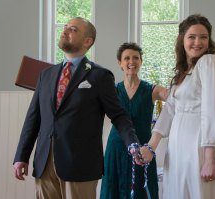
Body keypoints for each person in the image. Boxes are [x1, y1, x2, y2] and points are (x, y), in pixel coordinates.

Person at [13, 17, 148, 199]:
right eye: (66, 27)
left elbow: (119, 116)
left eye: (73, 29)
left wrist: (132, 144)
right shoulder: (46, 75)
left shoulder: (100, 76)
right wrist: (21, 155)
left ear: (87, 41)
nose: (65, 30)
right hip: (44, 163)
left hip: (80, 164)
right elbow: (33, 118)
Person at [141, 14, 215, 199]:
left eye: (203, 37)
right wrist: (151, 147)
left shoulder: (209, 62)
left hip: (197, 145)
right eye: (192, 37)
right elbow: (169, 110)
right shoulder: (184, 72)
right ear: (182, 39)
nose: (198, 42)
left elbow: (212, 110)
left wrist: (209, 159)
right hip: (177, 146)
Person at [100, 42, 168, 199]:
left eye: (136, 58)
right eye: (127, 58)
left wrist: (197, 78)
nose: (132, 61)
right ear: (120, 63)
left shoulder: (152, 89)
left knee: (141, 190)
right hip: (115, 147)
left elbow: (174, 95)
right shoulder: (112, 90)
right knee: (113, 189)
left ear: (141, 62)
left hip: (143, 147)